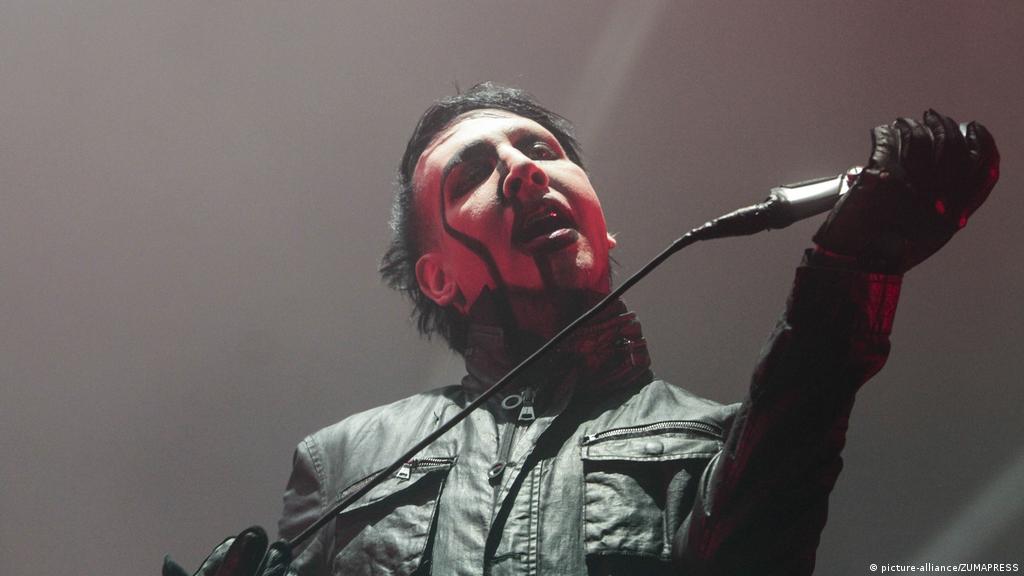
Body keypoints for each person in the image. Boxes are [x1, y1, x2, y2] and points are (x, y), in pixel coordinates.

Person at [163, 83, 999, 576]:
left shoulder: (713, 440)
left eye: (540, 149)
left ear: (603, 228)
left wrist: (849, 274)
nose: (523, 171)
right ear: (438, 278)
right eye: (473, 172)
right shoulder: (341, 463)